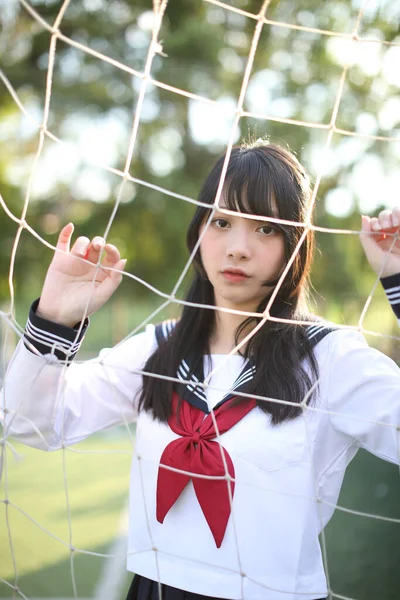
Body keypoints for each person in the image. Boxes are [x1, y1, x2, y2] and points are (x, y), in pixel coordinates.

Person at [2, 141, 400, 600]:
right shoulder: (158, 349)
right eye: (222, 221)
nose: (238, 248)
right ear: (199, 231)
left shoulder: (330, 357)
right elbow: (30, 422)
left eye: (267, 229)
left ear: (296, 245)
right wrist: (55, 317)